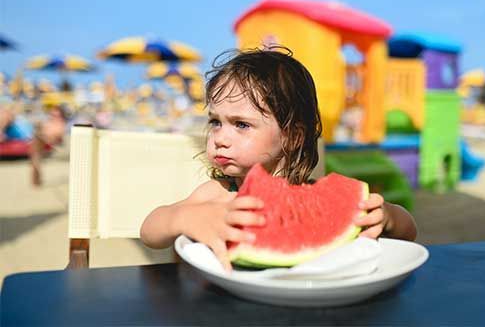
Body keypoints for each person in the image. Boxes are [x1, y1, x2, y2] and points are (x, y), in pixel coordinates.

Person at [140, 47, 417, 270]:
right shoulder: (218, 196)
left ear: (292, 137)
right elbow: (150, 230)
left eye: (241, 124)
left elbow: (409, 229)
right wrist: (186, 218)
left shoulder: (313, 196)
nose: (220, 137)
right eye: (215, 122)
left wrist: (389, 217)